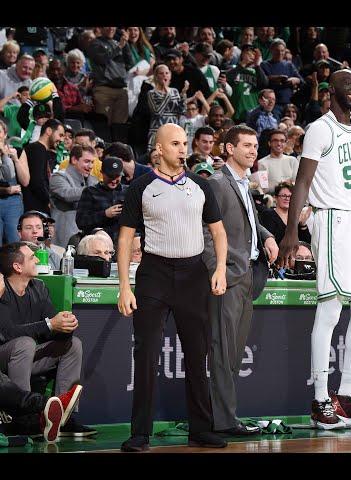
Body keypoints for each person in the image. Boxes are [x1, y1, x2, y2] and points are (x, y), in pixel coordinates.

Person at [278, 69, 351, 430]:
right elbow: (303, 181)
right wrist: (292, 231)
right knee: (331, 309)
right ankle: (321, 400)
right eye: (348, 85)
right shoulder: (320, 129)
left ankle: (347, 397)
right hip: (331, 220)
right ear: (331, 91)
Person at [117, 123, 229, 452]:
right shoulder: (141, 187)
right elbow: (125, 240)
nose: (183, 149)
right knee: (147, 354)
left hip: (194, 274)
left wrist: (220, 268)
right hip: (154, 273)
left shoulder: (199, 185)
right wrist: (125, 286)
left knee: (197, 355)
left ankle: (201, 429)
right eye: (176, 144)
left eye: (184, 143)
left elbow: (219, 232)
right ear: (160, 149)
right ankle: (140, 433)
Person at [201, 125, 278, 436]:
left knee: (232, 354)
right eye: (246, 144)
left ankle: (220, 416)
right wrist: (216, 270)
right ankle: (224, 421)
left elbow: (250, 221)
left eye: (255, 144)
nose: (252, 149)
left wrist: (268, 235)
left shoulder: (245, 184)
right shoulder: (218, 183)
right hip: (227, 276)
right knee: (222, 351)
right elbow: (205, 233)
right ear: (229, 149)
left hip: (248, 276)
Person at [0, 242, 94, 437]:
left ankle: (62, 416)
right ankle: (23, 419)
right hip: (4, 359)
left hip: (27, 357)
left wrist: (65, 327)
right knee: (24, 343)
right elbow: (7, 333)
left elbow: (51, 329)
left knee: (73, 345)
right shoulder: (2, 291)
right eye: (31, 257)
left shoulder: (39, 288)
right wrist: (50, 324)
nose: (37, 259)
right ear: (17, 267)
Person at [49, 145, 98, 248]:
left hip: (88, 236)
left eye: (92, 162)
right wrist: (94, 191)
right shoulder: (58, 177)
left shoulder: (93, 180)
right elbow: (67, 194)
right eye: (87, 161)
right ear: (74, 160)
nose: (90, 166)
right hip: (64, 237)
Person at [75, 157, 128, 243]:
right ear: (102, 173)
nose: (114, 181)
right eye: (110, 176)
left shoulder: (128, 192)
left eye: (117, 176)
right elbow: (81, 222)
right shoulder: (90, 192)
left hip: (122, 243)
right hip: (97, 244)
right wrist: (105, 214)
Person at [20, 119, 65, 214]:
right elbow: (37, 181)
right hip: (34, 207)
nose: (61, 140)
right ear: (49, 131)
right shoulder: (37, 149)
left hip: (35, 205)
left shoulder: (41, 150)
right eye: (60, 135)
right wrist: (48, 200)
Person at [0, 119, 29, 245]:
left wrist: (15, 159)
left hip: (13, 203)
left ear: (5, 134)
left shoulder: (17, 150)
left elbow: (25, 181)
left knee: (14, 240)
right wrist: (6, 190)